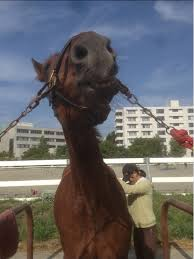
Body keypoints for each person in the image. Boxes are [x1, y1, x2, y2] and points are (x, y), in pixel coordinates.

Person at [119, 163, 156, 259]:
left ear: (137, 172)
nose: (131, 178)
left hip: (147, 226)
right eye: (128, 177)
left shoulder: (145, 183)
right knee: (139, 253)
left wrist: (116, 180)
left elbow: (128, 189)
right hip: (136, 225)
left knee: (148, 254)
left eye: (132, 175)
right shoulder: (133, 183)